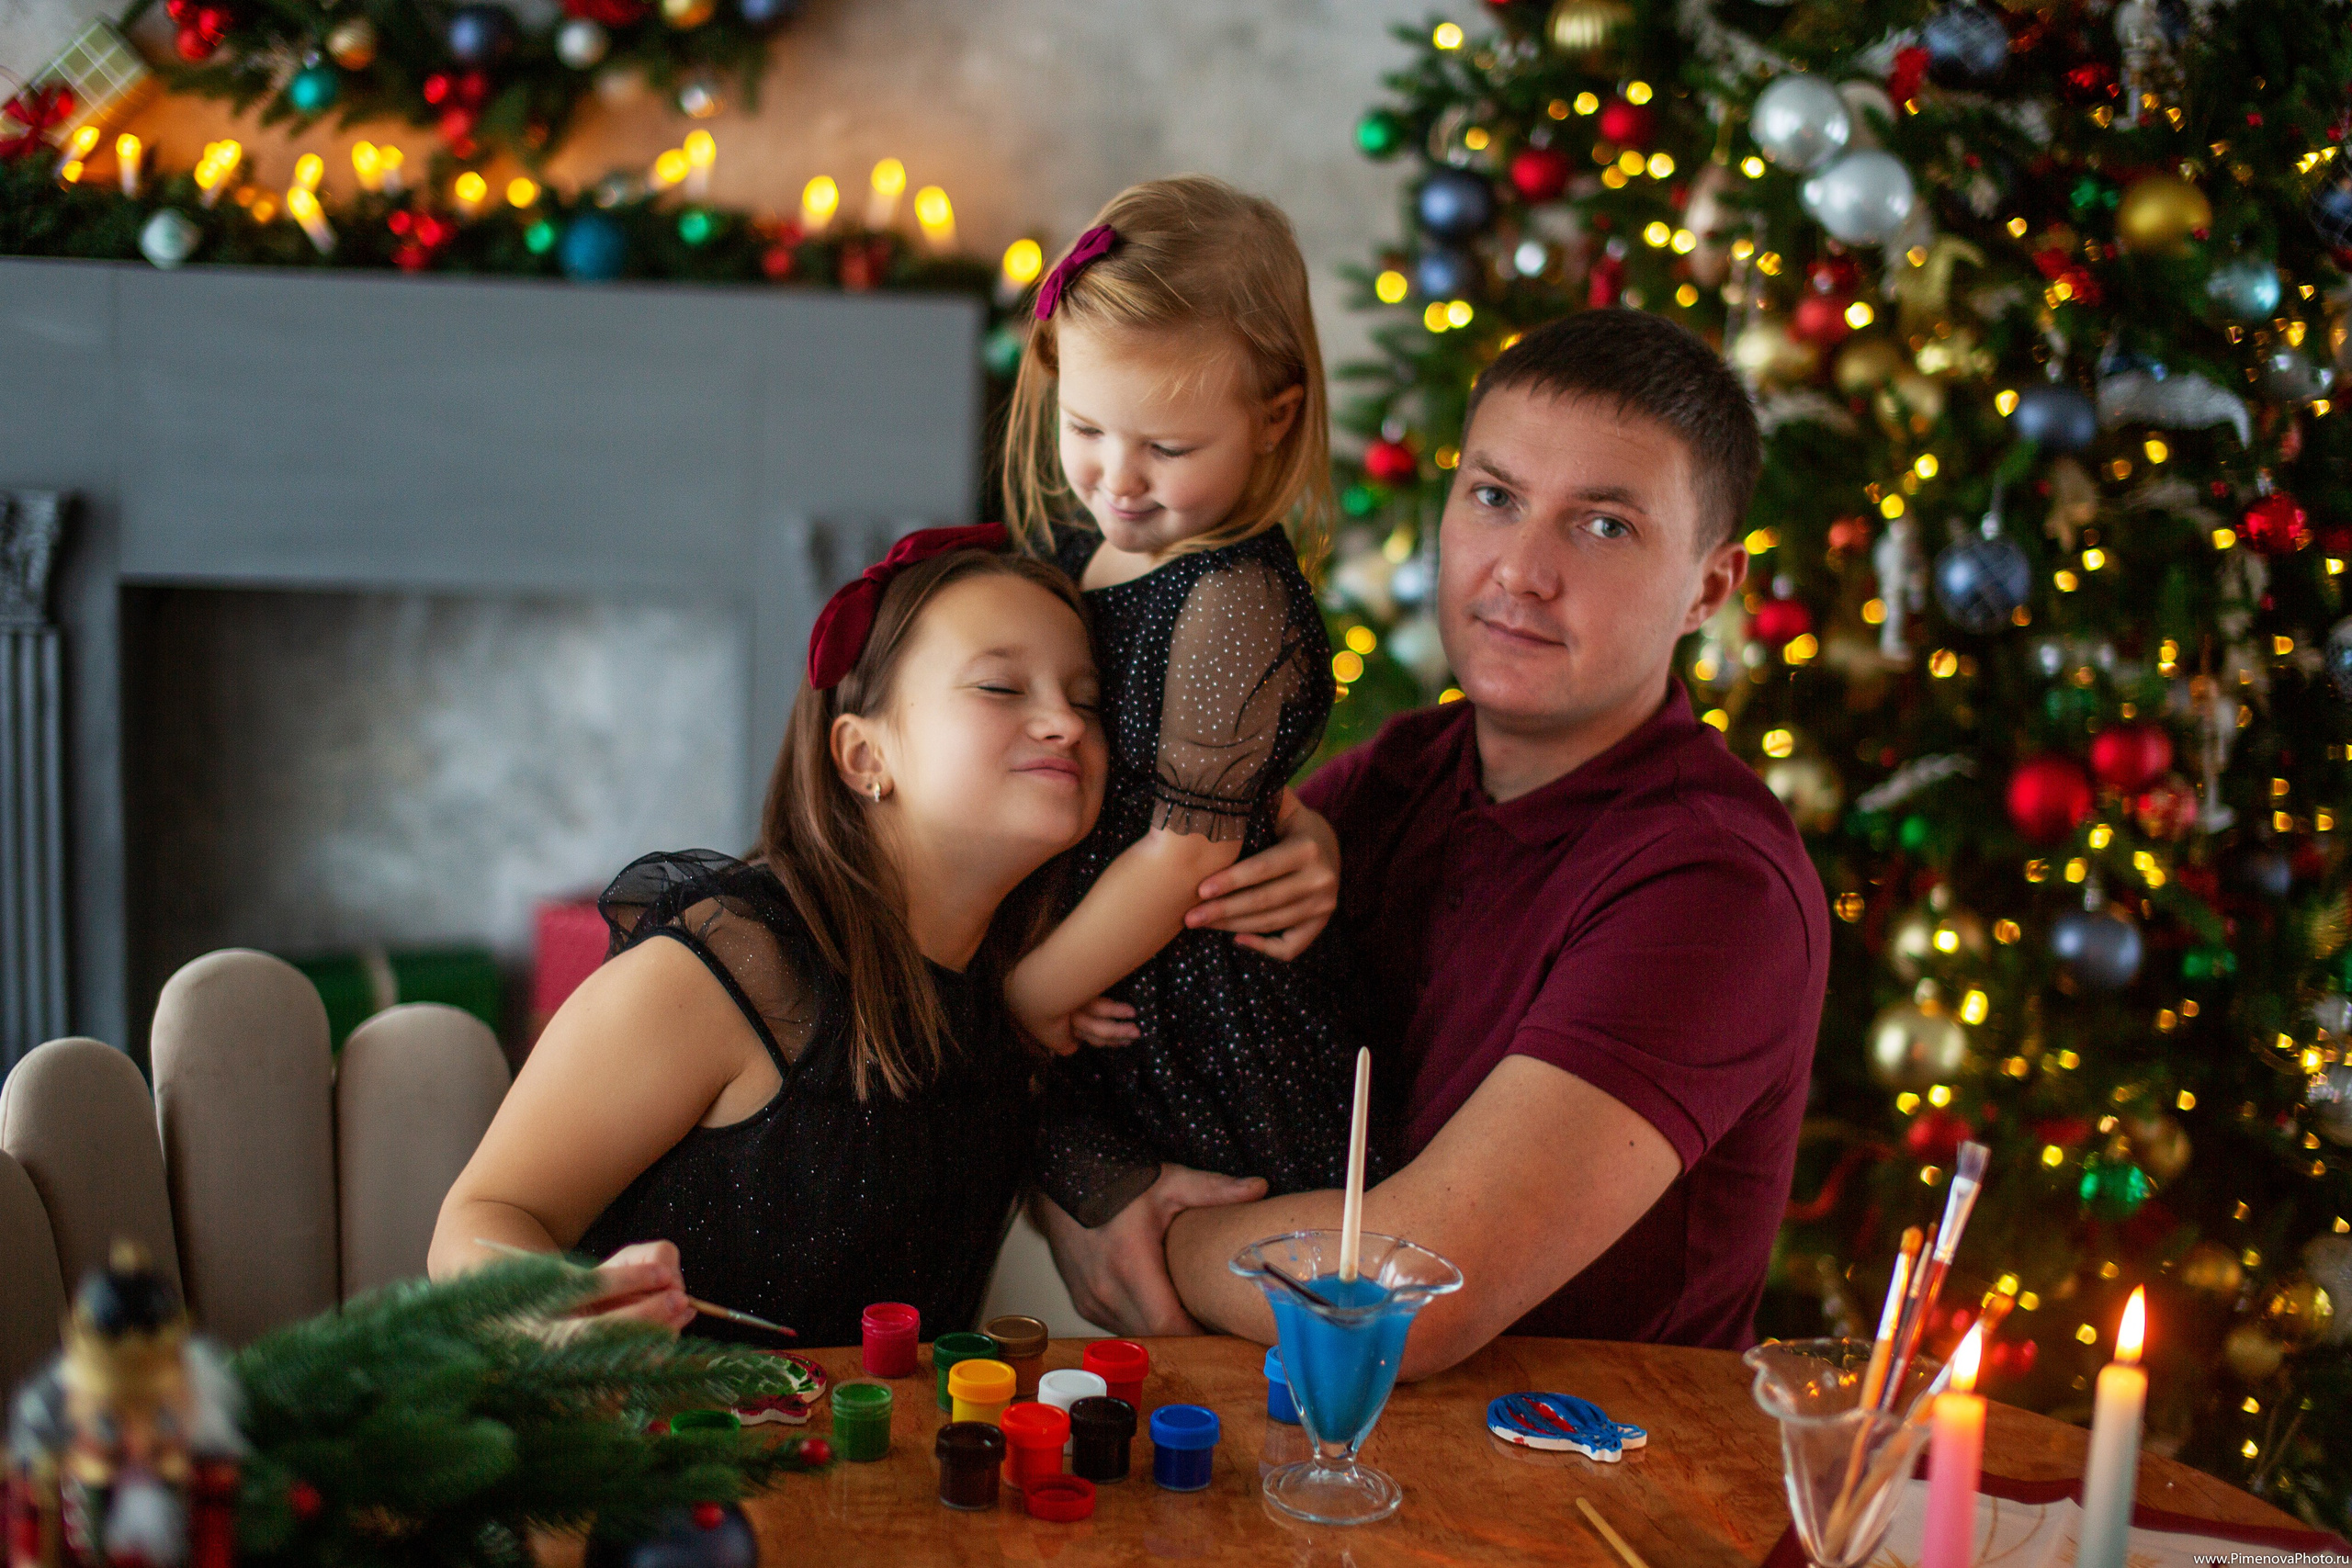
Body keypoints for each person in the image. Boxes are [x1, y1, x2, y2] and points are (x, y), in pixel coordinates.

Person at [1041, 309, 1831, 1373]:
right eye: (1495, 498)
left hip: (1594, 1509)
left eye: (1603, 526)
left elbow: (1406, 1293)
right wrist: (1084, 1165)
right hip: (1341, 1474)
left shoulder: (1713, 885)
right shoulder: (1398, 775)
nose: (1520, 571)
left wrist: (1143, 1226)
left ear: (1709, 588)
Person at [427, 533, 1106, 1345]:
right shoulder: (734, 970)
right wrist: (562, 1312)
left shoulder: (1024, 990)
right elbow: (478, 1220)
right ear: (863, 754)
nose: (1065, 721)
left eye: (1088, 698)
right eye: (1001, 685)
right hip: (663, 1447)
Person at [1000, 177, 1379, 1230]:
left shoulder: (1233, 601)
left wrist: (1024, 1000)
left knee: (1229, 1279)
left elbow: (1184, 854)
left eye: (1167, 449)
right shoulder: (1082, 553)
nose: (1117, 479)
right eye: (1086, 428)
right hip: (1102, 983)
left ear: (1274, 418)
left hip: (1208, 1021)